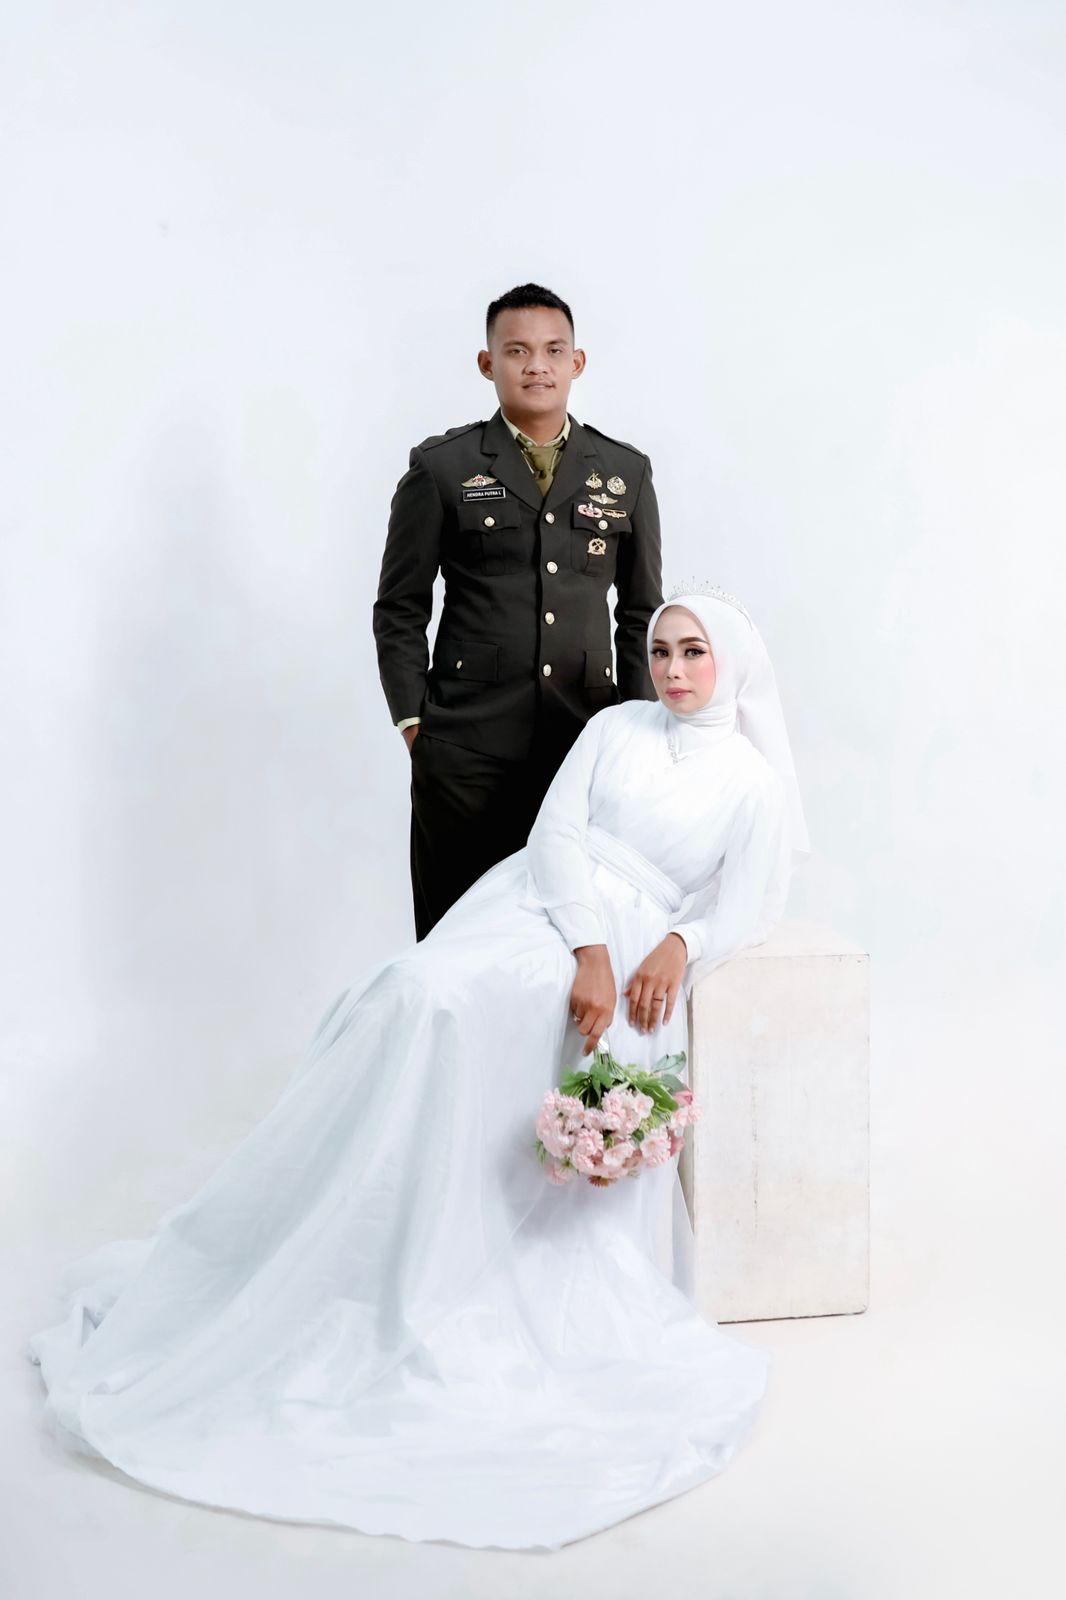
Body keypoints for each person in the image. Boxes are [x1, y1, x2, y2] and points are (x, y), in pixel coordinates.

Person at [28, 587, 808, 1551]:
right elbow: (556, 833)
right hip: (544, 905)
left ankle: (445, 1262)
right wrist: (587, 948)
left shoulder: (752, 783)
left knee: (450, 1013)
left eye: (694, 652)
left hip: (638, 934)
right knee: (409, 991)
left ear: (732, 661)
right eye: (661, 651)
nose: (674, 670)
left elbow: (751, 900)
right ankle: (347, 1238)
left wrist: (679, 943)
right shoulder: (616, 728)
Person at [374, 282, 663, 938]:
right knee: (456, 942)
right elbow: (399, 608)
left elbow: (641, 613)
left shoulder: (625, 472)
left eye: (554, 350)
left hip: (583, 750)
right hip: (465, 754)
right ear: (488, 364)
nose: (537, 365)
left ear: (577, 362)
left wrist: (633, 739)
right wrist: (418, 727)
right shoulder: (443, 468)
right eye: (517, 351)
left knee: (577, 941)